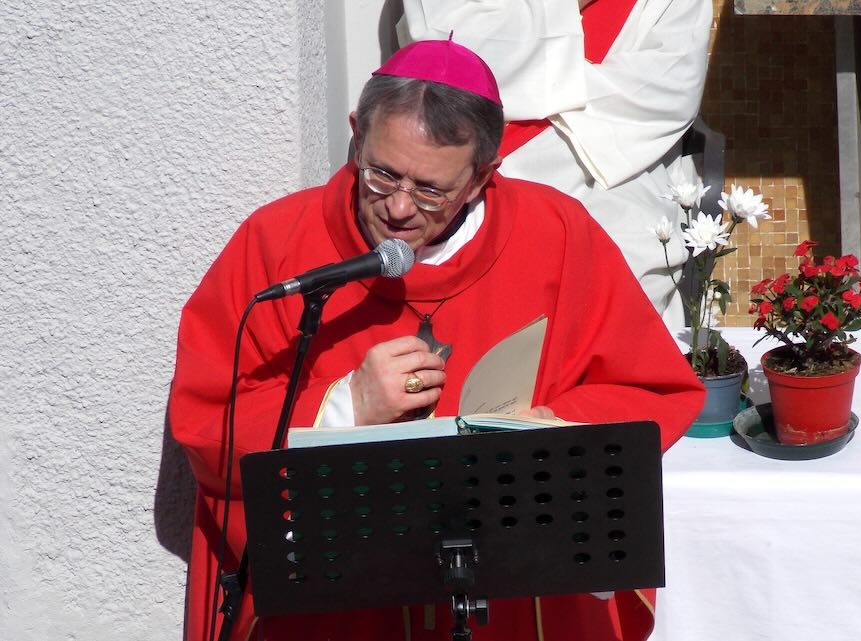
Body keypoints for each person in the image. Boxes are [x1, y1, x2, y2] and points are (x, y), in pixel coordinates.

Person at [169, 37, 704, 641]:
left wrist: (550, 432)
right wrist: (344, 408)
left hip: (510, 597)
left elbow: (650, 389)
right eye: (381, 174)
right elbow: (208, 419)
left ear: (481, 176)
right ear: (356, 132)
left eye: (430, 189)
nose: (397, 208)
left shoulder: (557, 234)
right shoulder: (277, 245)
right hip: (340, 603)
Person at [399, 0, 714, 322]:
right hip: (480, 147)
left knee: (623, 261)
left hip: (610, 159)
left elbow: (669, 89)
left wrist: (535, 79)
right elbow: (446, 48)